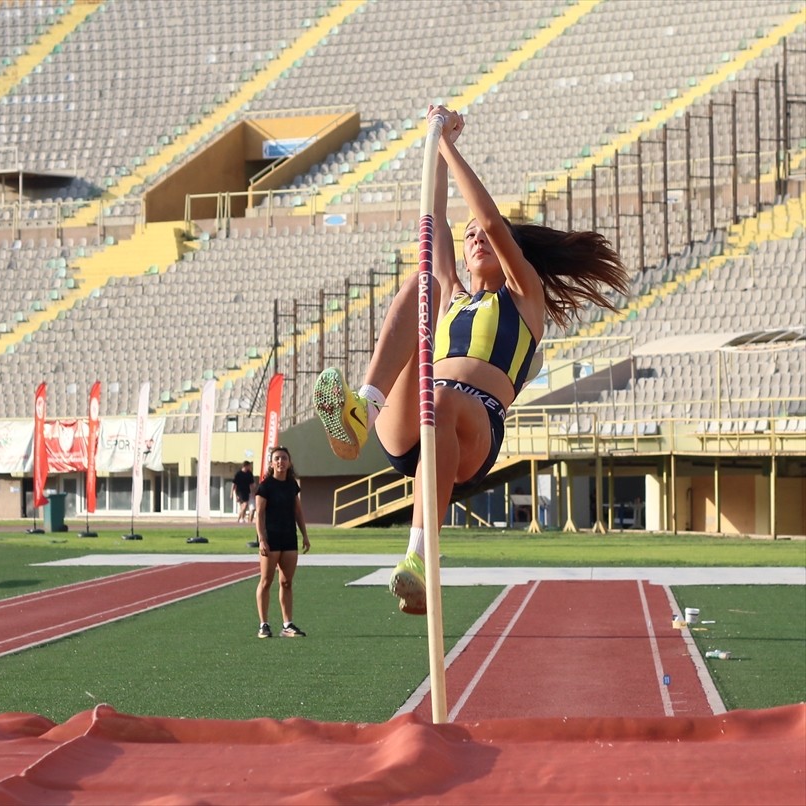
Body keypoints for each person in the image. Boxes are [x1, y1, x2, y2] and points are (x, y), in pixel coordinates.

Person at [314, 105, 628, 615]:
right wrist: (432, 146)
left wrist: (448, 145)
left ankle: (417, 562)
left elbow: (486, 218)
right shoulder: (453, 294)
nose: (477, 238)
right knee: (423, 281)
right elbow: (432, 220)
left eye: (484, 237)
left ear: (508, 252)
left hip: (472, 431)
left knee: (442, 395)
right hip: (415, 421)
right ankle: (363, 410)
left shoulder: (523, 298)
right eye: (469, 241)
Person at [254, 446, 311, 638]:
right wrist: (262, 539)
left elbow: (298, 511)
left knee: (286, 582)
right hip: (271, 539)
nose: (281, 461)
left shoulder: (291, 485)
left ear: (289, 462)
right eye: (277, 458)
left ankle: (287, 625)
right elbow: (259, 515)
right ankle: (263, 625)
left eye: (284, 458)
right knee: (266, 581)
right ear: (271, 463)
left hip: (289, 538)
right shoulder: (265, 486)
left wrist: (305, 534)